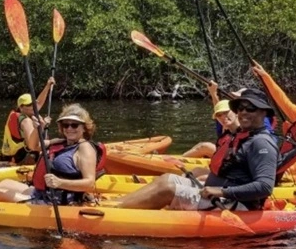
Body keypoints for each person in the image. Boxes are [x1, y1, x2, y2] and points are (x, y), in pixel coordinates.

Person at [113, 89, 277, 211]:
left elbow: (264, 187)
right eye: (240, 108)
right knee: (167, 179)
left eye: (250, 109)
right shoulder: (242, 134)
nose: (243, 113)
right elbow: (224, 124)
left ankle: (115, 213)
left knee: (168, 189)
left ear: (263, 112)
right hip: (213, 193)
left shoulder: (261, 143)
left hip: (235, 203)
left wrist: (221, 191)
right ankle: (116, 204)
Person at [0, 104, 102, 204]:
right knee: (5, 183)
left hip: (58, 202)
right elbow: (34, 146)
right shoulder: (60, 142)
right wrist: (38, 129)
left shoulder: (85, 148)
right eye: (65, 124)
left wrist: (60, 182)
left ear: (84, 128)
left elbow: (89, 183)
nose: (69, 128)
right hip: (42, 193)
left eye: (74, 125)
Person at [183, 82, 273, 158]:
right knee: (201, 145)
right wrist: (213, 93)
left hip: (245, 154)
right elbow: (220, 112)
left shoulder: (257, 119)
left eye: (239, 99)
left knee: (204, 146)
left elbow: (265, 140)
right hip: (232, 151)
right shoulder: (229, 119)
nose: (237, 103)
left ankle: (176, 161)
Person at [0, 77, 54, 163]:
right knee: (49, 143)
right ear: (21, 107)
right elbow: (32, 146)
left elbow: (39, 102)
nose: (33, 106)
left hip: (8, 154)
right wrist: (50, 142)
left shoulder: (26, 112)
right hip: (18, 158)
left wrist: (48, 86)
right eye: (29, 104)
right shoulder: (25, 121)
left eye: (34, 103)